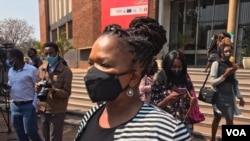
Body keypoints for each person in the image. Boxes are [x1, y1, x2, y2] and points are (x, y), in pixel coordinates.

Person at [74, 17, 191, 141]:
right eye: (91, 63)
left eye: (104, 65)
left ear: (133, 78)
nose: (92, 72)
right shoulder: (91, 115)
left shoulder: (169, 132)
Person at [151, 49, 204, 136]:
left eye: (179, 67)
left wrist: (192, 103)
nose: (176, 69)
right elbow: (153, 107)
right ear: (168, 66)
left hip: (182, 126)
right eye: (173, 66)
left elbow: (187, 107)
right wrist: (167, 100)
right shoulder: (159, 81)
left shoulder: (185, 81)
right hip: (164, 126)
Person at [35, 42, 72, 141]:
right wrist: (37, 88)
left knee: (54, 138)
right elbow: (37, 85)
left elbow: (67, 93)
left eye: (51, 53)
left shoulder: (65, 71)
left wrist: (54, 90)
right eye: (46, 54)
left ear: (57, 53)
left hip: (57, 110)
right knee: (45, 137)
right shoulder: (41, 68)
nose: (48, 56)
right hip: (43, 109)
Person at [210, 45, 245, 141]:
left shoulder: (232, 65)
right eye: (226, 51)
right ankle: (212, 138)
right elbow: (212, 82)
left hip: (229, 95)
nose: (228, 53)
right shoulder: (216, 64)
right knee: (217, 118)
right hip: (218, 95)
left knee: (230, 120)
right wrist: (225, 75)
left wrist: (240, 97)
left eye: (230, 51)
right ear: (221, 53)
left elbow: (234, 83)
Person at [6, 49, 42, 141]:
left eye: (9, 58)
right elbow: (11, 84)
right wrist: (6, 88)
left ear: (16, 59)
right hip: (14, 106)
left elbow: (38, 88)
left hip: (28, 105)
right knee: (19, 132)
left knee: (30, 131)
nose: (8, 61)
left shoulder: (32, 70)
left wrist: (34, 104)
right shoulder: (10, 71)